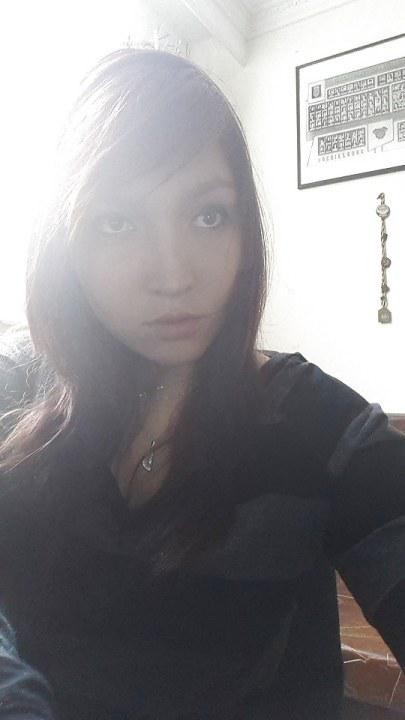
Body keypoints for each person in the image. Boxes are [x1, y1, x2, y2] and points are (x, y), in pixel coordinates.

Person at [0, 47, 404, 720]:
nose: (173, 274)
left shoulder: (325, 432)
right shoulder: (15, 392)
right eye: (117, 222)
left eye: (208, 215)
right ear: (63, 245)